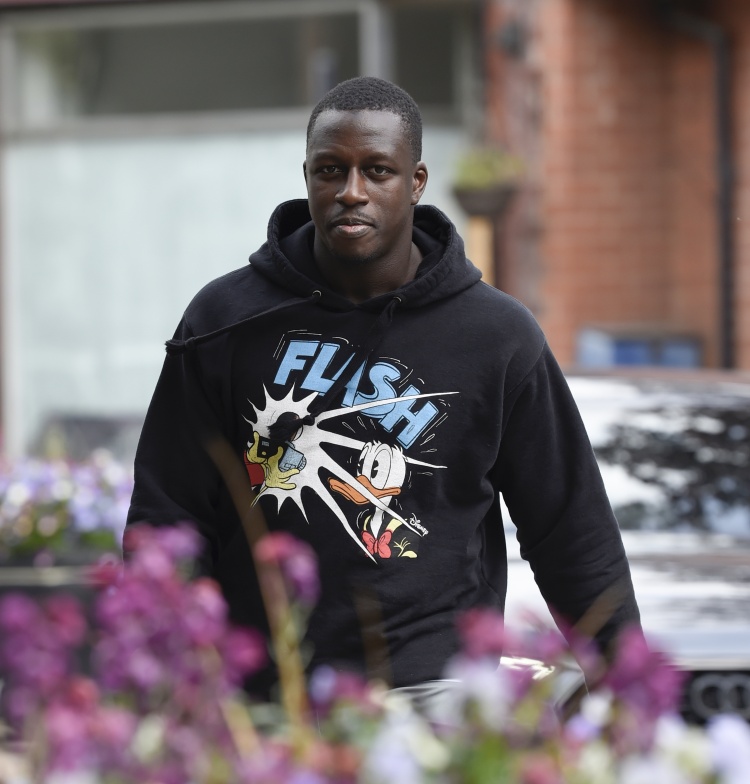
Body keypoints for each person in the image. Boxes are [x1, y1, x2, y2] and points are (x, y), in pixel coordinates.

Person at [127, 76, 640, 701]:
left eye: (377, 171)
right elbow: (168, 512)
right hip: (264, 692)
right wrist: (174, 673)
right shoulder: (224, 319)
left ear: (415, 182)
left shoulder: (496, 336)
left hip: (434, 689)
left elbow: (570, 529)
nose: (352, 192)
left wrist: (627, 692)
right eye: (330, 170)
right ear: (307, 177)